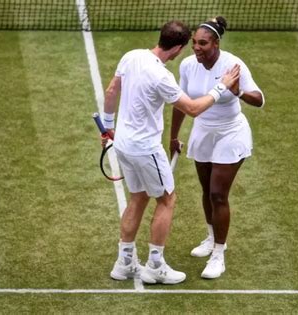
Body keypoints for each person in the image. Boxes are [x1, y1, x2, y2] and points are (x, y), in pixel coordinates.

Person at [101, 20, 240, 285]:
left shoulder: (131, 56)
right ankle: (155, 266)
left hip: (123, 145)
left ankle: (124, 263)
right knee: (167, 199)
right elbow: (193, 108)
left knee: (138, 198)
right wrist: (221, 86)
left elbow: (111, 91)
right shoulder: (162, 77)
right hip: (145, 149)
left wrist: (107, 127)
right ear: (177, 48)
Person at [170, 16, 265, 279]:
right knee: (206, 190)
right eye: (194, 43)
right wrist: (173, 136)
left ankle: (218, 255)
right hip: (203, 131)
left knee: (218, 194)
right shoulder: (189, 65)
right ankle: (211, 238)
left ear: (216, 43)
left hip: (231, 133)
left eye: (202, 43)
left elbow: (259, 100)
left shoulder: (234, 65)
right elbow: (183, 101)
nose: (196, 48)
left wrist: (237, 92)